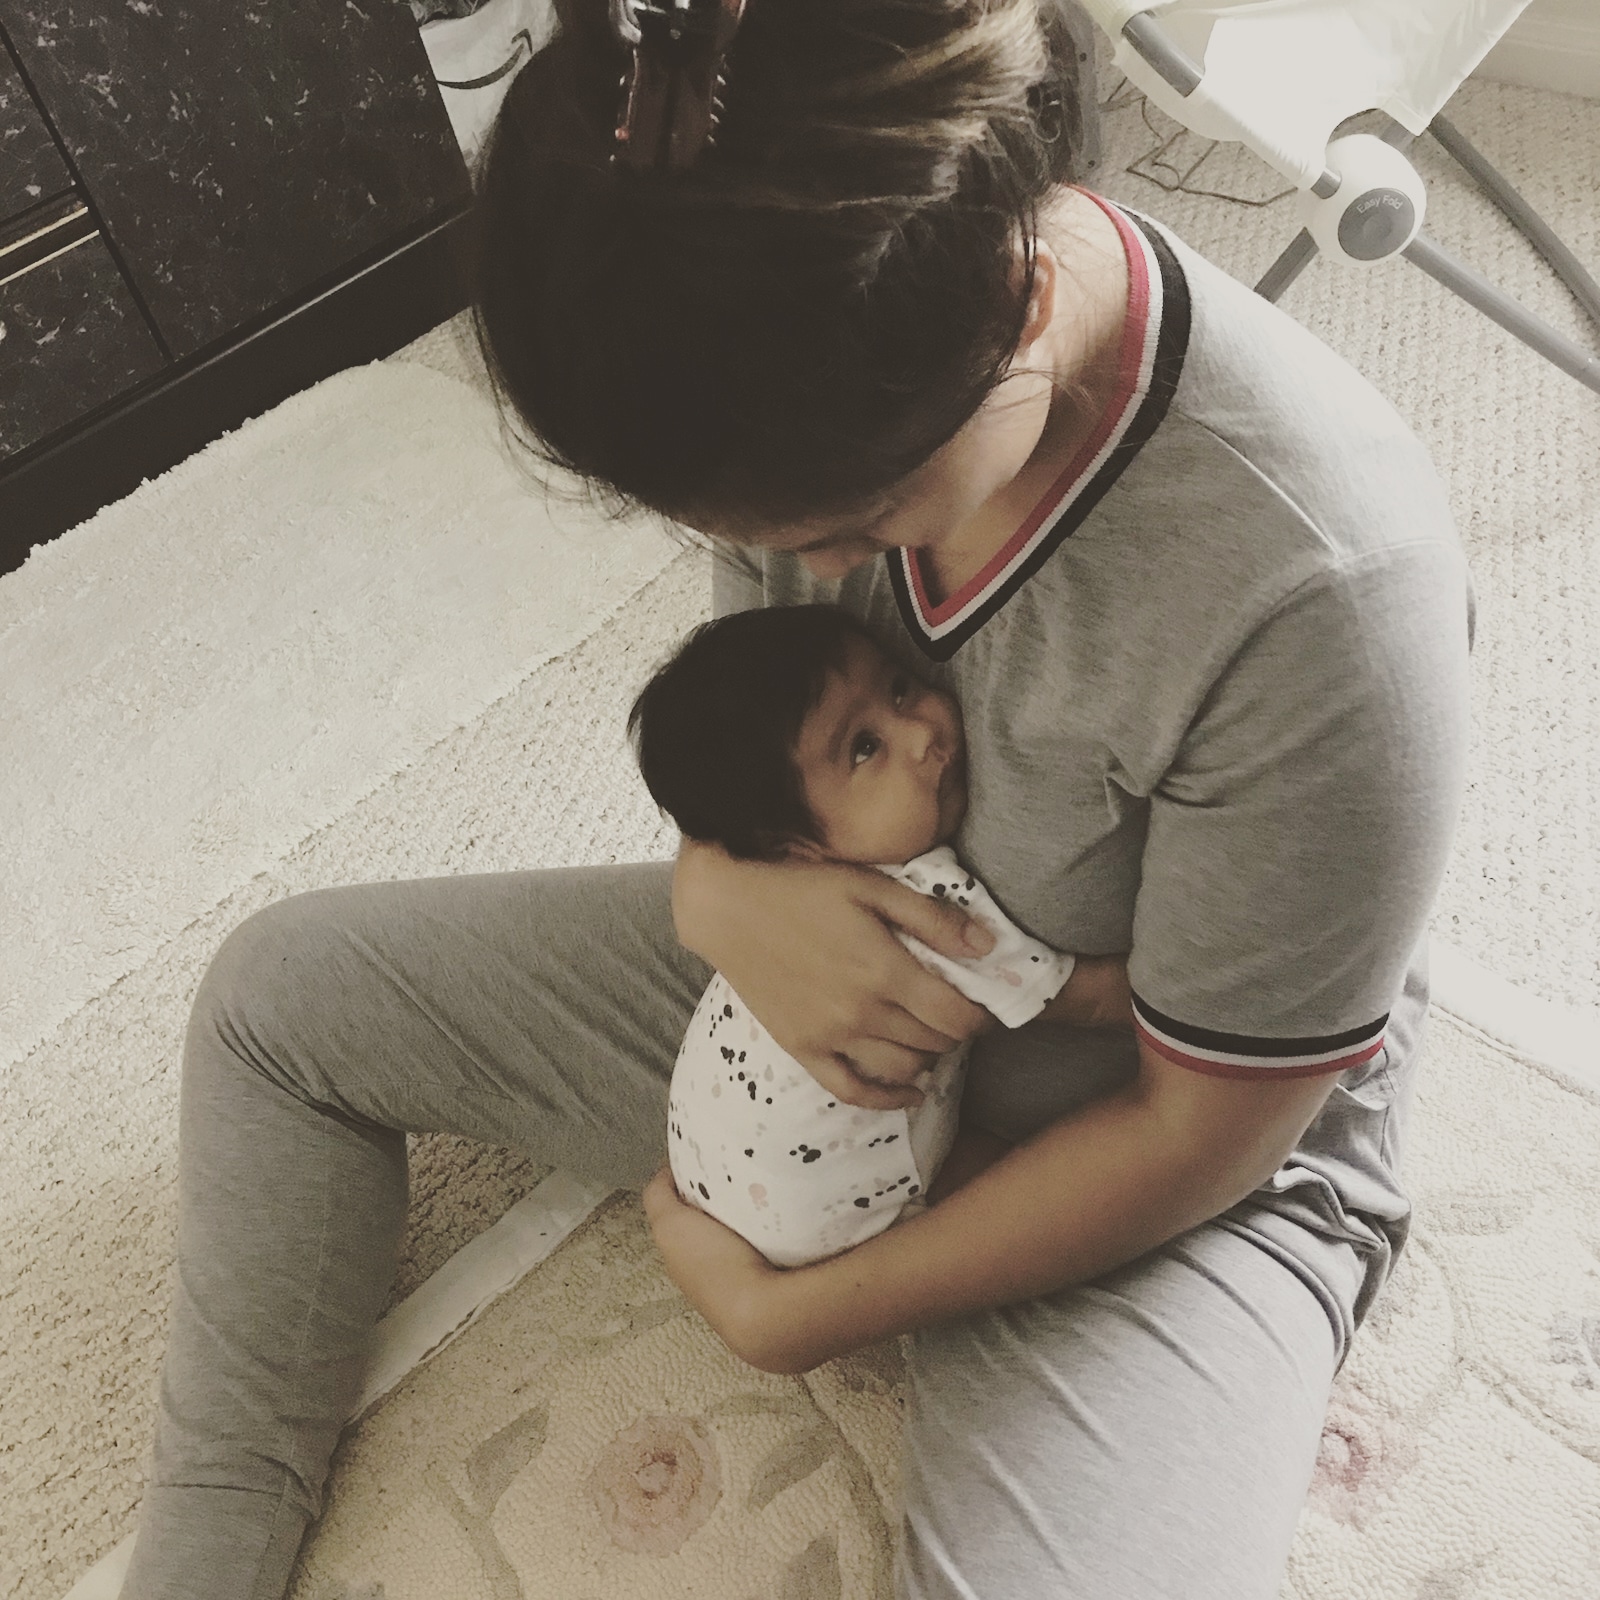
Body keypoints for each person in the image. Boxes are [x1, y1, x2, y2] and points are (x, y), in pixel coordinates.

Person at [121, 1, 1473, 1596]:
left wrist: (808, 1309)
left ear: (1028, 298)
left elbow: (1203, 1135)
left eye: (859, 517)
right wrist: (720, 891)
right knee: (276, 1003)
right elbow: (751, 756)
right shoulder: (762, 348)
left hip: (1160, 1150)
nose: (817, 570)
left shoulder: (1322, 590)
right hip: (830, 1000)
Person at [630, 604, 1084, 1266]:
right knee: (1051, 1197)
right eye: (865, 748)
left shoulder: (777, 891)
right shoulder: (923, 899)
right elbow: (1085, 998)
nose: (922, 733)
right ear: (793, 846)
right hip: (833, 1220)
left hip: (713, 1161)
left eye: (900, 689)